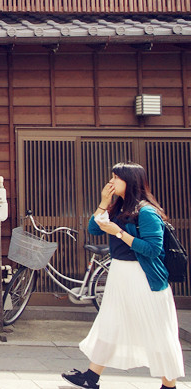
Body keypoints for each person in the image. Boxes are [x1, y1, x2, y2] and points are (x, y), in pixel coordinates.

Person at [61, 162, 184, 389]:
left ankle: (169, 385)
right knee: (110, 323)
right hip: (120, 274)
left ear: (130, 181)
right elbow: (94, 228)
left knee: (158, 331)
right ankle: (91, 376)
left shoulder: (147, 212)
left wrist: (118, 233)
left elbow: (153, 249)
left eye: (116, 177)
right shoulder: (117, 208)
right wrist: (103, 202)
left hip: (145, 278)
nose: (111, 181)